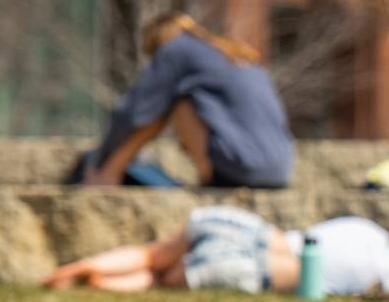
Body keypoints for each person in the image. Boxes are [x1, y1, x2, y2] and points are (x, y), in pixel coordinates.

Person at [84, 12, 294, 189]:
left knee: (180, 103)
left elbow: (138, 112)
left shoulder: (177, 49)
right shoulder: (232, 53)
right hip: (281, 170)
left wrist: (105, 162)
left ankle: (108, 175)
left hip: (242, 167)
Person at [41, 207, 389, 295]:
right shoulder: (387, 273)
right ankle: (94, 283)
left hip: (256, 232)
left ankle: (82, 267)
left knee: (155, 254)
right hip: (250, 268)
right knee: (158, 281)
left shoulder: (366, 229)